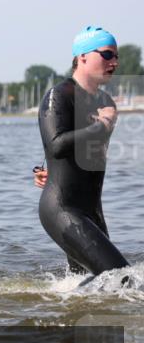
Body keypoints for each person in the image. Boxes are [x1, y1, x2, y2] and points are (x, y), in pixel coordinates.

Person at [38, 26, 128, 278]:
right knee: (121, 279)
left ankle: (57, 310)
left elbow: (84, 152)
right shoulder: (59, 95)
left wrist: (45, 168)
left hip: (92, 211)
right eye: (108, 55)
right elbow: (55, 144)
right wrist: (101, 126)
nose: (115, 62)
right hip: (62, 208)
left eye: (117, 56)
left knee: (96, 288)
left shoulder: (105, 103)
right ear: (83, 57)